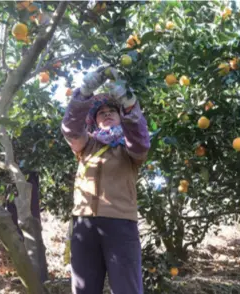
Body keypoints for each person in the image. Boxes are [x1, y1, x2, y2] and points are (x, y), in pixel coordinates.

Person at [61, 66, 150, 294]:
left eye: (113, 110)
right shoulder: (86, 144)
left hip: (120, 224)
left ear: (121, 117)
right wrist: (83, 93)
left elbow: (140, 140)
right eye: (102, 112)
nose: (108, 113)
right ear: (95, 121)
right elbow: (70, 128)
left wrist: (130, 104)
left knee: (127, 289)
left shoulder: (130, 149)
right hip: (84, 225)